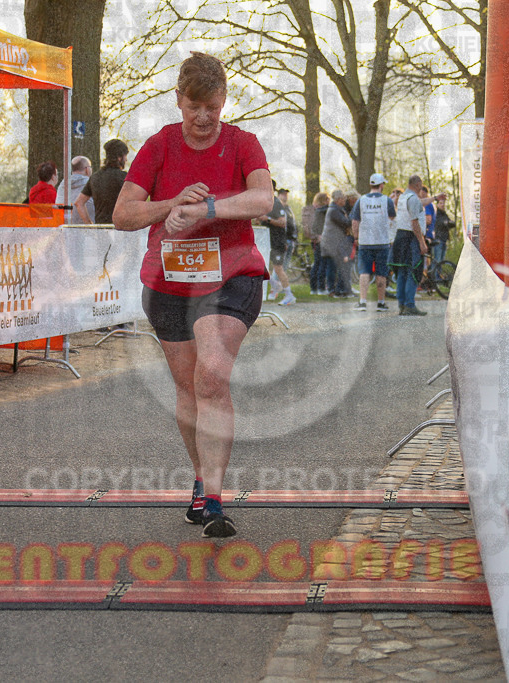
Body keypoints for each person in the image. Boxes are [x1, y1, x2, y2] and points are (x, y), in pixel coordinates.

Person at [111, 52, 274, 538]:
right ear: (179, 100)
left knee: (211, 376)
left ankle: (217, 502)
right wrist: (171, 205)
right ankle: (202, 482)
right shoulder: (159, 145)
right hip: (169, 282)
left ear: (224, 99)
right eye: (194, 106)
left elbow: (262, 199)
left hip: (231, 276)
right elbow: (123, 213)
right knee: (188, 389)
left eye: (213, 105)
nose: (204, 117)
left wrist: (207, 208)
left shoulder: (243, 143)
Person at [351, 172, 396, 312]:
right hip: (382, 242)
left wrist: (356, 237)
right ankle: (381, 303)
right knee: (381, 273)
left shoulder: (361, 200)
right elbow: (393, 219)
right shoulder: (386, 200)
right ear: (381, 185)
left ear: (371, 185)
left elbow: (354, 221)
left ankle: (362, 302)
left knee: (364, 272)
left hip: (365, 242)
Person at [390, 175, 429, 316]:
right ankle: (410, 305)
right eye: (421, 184)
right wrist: (421, 242)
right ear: (417, 184)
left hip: (400, 236)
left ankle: (402, 304)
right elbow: (414, 222)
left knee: (402, 271)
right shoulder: (412, 199)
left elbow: (421, 203)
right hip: (411, 237)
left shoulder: (403, 197)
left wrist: (435, 198)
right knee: (414, 271)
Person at [259, 183, 296, 306]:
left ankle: (289, 295)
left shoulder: (275, 202)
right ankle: (275, 285)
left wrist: (267, 219)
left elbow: (282, 222)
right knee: (261, 265)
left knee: (278, 269)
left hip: (278, 241)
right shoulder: (265, 202)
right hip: (267, 240)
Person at [83, 138, 129, 224]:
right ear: (119, 158)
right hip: (120, 229)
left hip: (101, 230)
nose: (126, 159)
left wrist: (90, 225)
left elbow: (79, 203)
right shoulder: (125, 178)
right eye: (125, 156)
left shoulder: (95, 177)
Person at [321, 189, 355, 298]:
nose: (345, 200)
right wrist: (355, 218)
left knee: (335, 267)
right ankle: (331, 290)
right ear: (338, 199)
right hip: (331, 244)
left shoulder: (337, 209)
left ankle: (337, 289)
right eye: (343, 198)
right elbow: (345, 222)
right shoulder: (334, 210)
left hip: (334, 243)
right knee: (332, 267)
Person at [57, 155, 95, 223]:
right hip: (87, 228)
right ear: (87, 169)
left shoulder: (62, 186)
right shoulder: (91, 184)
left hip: (65, 227)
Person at [306, 191, 330, 295]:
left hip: (318, 240)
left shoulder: (316, 211)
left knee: (317, 264)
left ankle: (314, 288)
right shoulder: (323, 211)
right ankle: (320, 288)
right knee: (321, 264)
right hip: (322, 241)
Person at [430, 192, 453, 280]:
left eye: (443, 203)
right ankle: (433, 278)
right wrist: (446, 223)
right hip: (438, 239)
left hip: (444, 239)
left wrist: (448, 223)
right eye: (441, 203)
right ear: (437, 204)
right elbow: (439, 223)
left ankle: (438, 277)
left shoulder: (445, 214)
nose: (442, 205)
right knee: (437, 260)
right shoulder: (436, 214)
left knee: (442, 260)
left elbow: (451, 223)